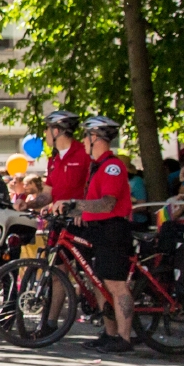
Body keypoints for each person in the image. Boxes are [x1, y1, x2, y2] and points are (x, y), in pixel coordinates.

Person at [48, 117, 135, 353]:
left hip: (113, 231)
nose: (84, 141)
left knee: (116, 285)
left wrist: (76, 203)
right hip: (99, 230)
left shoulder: (112, 167)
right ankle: (110, 333)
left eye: (87, 136)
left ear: (96, 137)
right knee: (101, 283)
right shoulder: (97, 166)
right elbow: (93, 203)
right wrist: (75, 209)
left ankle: (125, 339)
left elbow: (107, 203)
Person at [25, 110, 90, 209]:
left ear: (56, 131)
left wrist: (83, 211)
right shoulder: (53, 160)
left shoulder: (85, 154)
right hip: (59, 218)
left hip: (81, 220)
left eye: (47, 128)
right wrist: (26, 205)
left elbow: (94, 191)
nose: (45, 132)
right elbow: (47, 194)